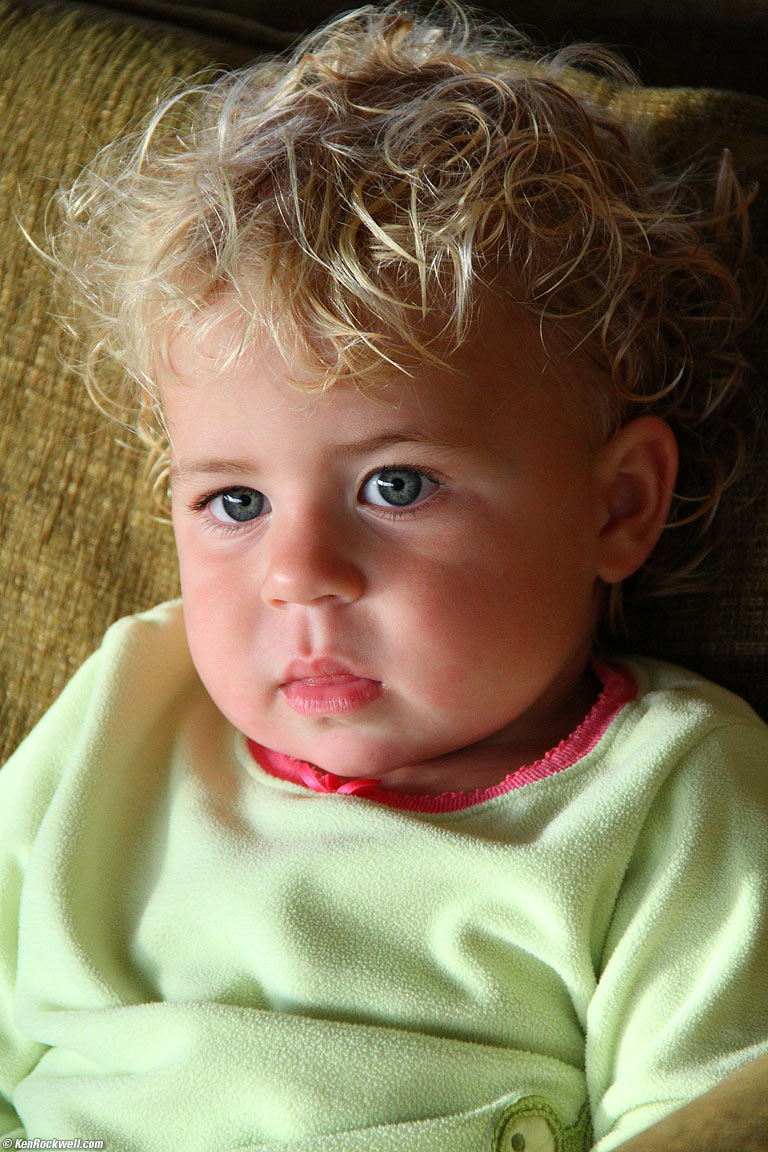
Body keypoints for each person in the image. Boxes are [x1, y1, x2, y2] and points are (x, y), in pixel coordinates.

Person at [2, 3, 767, 1149]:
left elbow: (706, 1117)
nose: (298, 576)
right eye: (235, 503)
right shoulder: (129, 706)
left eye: (396, 487)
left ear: (618, 506)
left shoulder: (671, 794)